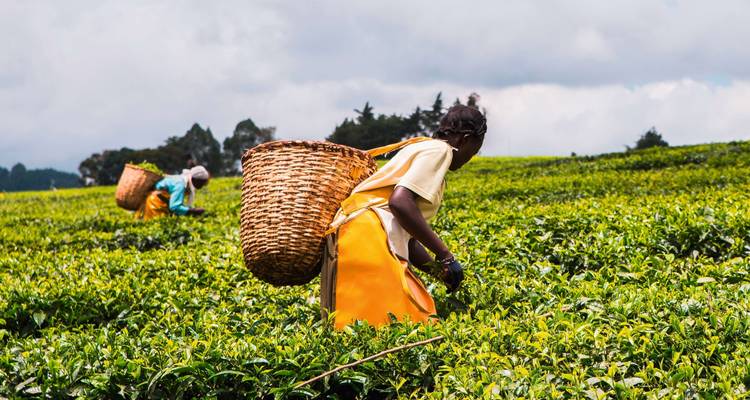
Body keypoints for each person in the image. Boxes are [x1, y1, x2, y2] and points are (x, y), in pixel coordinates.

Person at [321, 105, 487, 329]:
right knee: (411, 322)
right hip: (369, 235)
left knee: (354, 326)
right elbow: (399, 203)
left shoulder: (422, 148)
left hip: (352, 235)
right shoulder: (440, 151)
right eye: (474, 151)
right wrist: (445, 255)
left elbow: (405, 233)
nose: (470, 158)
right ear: (464, 140)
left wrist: (438, 271)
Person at [134, 165, 210, 220]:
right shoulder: (180, 184)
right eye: (201, 183)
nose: (202, 186)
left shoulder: (183, 182)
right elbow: (174, 207)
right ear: (195, 180)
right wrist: (193, 211)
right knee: (155, 224)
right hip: (155, 203)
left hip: (161, 203)